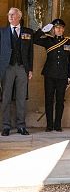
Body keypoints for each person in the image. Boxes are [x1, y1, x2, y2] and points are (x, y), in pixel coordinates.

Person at [32, 18, 70, 132]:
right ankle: (49, 125)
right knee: (49, 100)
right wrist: (43, 30)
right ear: (53, 29)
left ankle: (58, 125)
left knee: (60, 101)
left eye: (61, 27)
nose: (59, 29)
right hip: (49, 75)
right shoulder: (48, 40)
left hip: (62, 76)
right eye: (56, 27)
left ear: (63, 29)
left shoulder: (68, 42)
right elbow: (34, 39)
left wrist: (69, 76)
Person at [1, 8, 34, 136]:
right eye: (9, 14)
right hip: (7, 68)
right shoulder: (2, 32)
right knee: (6, 97)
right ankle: (6, 126)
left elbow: (31, 52)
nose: (10, 16)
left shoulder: (28, 32)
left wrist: (30, 69)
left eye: (13, 14)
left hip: (22, 68)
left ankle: (21, 126)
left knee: (21, 98)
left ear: (19, 17)